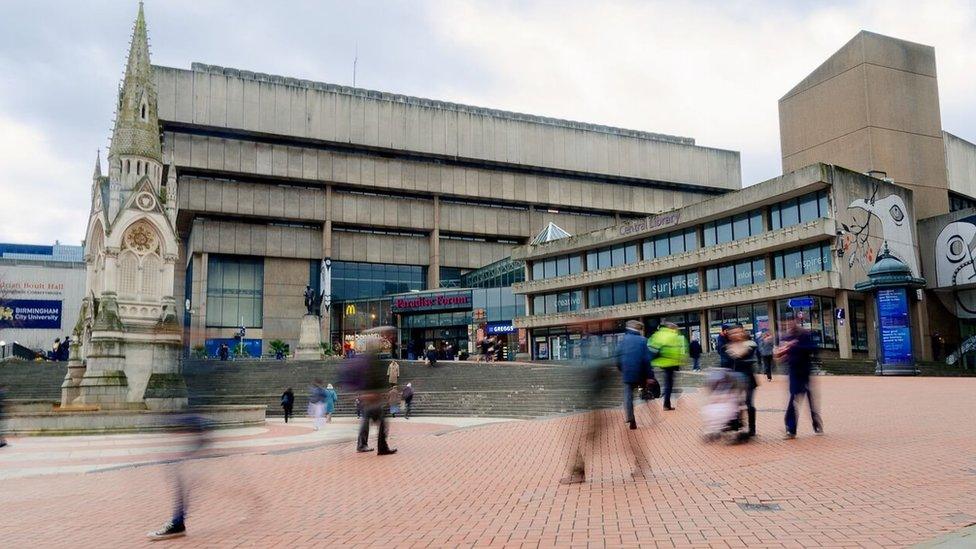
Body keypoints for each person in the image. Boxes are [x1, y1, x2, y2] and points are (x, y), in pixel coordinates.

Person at [147, 415, 211, 540]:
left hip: (198, 439)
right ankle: (178, 523)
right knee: (182, 481)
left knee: (182, 481)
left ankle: (177, 524)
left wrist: (168, 421)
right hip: (197, 438)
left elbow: (193, 415)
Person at [345, 329, 396, 455]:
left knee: (368, 420)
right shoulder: (371, 360)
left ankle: (363, 445)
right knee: (381, 422)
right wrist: (371, 392)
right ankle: (378, 447)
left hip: (370, 396)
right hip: (371, 396)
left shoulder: (368, 359)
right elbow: (371, 377)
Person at [776, 319, 823, 439]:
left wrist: (795, 345)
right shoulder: (787, 337)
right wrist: (781, 355)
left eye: (790, 323)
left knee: (810, 400)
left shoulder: (804, 335)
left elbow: (813, 348)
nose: (788, 326)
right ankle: (791, 429)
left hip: (804, 372)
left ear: (795, 324)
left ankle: (816, 422)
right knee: (793, 398)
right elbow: (783, 355)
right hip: (793, 372)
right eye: (786, 324)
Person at [617, 320, 652, 430]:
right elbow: (647, 360)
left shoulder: (623, 341)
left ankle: (631, 418)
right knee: (644, 388)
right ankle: (645, 396)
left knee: (628, 396)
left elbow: (618, 358)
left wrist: (622, 369)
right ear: (639, 330)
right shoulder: (643, 341)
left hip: (628, 373)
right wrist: (650, 376)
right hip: (640, 373)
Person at [725, 325, 758, 441]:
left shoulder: (750, 344)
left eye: (737, 332)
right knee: (735, 404)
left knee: (749, 403)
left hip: (748, 379)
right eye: (732, 333)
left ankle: (752, 428)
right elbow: (725, 363)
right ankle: (738, 426)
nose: (735, 335)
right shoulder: (727, 347)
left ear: (742, 333)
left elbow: (747, 356)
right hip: (734, 381)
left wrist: (736, 353)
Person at [648, 322, 688, 411]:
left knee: (668, 383)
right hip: (671, 363)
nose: (677, 330)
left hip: (661, 363)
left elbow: (651, 346)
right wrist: (681, 360)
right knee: (669, 384)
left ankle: (667, 401)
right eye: (676, 328)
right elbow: (678, 350)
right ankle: (667, 404)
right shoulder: (673, 336)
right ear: (673, 328)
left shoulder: (659, 334)